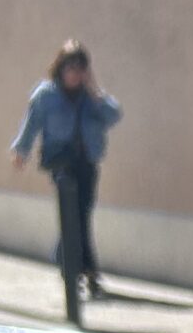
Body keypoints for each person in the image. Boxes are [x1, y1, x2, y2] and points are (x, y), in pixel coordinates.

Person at [10, 41, 122, 297]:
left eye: (80, 69)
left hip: (87, 163)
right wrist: (21, 151)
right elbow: (31, 123)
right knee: (73, 217)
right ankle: (84, 272)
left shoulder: (91, 97)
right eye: (70, 68)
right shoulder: (46, 95)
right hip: (61, 164)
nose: (74, 74)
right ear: (60, 68)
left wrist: (95, 91)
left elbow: (114, 116)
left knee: (82, 216)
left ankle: (68, 263)